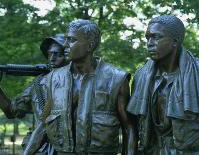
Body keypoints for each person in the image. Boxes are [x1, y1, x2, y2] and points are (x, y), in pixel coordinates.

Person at [43, 19, 137, 155]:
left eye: (71, 40)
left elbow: (129, 128)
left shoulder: (116, 79)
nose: (65, 45)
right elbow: (43, 124)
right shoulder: (54, 78)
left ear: (90, 45)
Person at [127, 15, 199, 154]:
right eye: (147, 37)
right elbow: (134, 125)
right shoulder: (141, 75)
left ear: (175, 41)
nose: (149, 43)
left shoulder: (196, 72)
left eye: (156, 37)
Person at [0, 33, 66, 154]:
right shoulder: (38, 84)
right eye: (49, 54)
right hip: (42, 149)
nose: (52, 58)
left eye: (58, 54)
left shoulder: (82, 83)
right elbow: (11, 111)